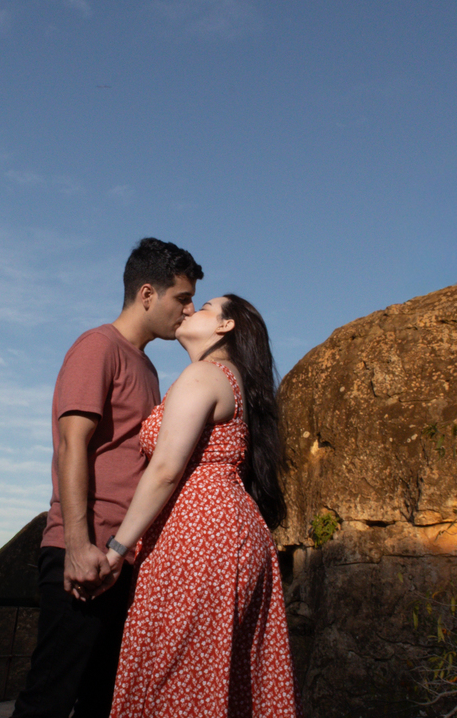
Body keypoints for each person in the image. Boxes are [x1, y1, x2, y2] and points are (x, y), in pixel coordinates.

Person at [10, 238, 203, 718]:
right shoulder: (97, 347)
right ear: (146, 294)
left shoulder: (147, 366)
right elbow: (71, 444)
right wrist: (78, 544)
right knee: (49, 700)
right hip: (84, 552)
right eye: (181, 298)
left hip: (119, 556)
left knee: (102, 701)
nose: (189, 309)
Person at [96, 294, 299, 717]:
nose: (189, 310)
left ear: (225, 327)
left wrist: (117, 549)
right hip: (227, 533)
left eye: (204, 306)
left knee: (175, 677)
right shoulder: (232, 378)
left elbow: (166, 469)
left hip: (202, 534)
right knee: (213, 675)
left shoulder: (204, 375)